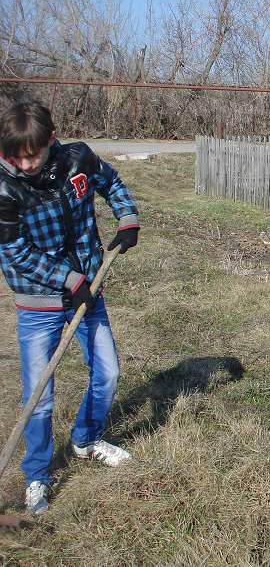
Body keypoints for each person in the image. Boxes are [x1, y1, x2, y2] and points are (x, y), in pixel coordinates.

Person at [0, 101, 140, 515]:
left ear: (52, 139)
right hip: (39, 300)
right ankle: (37, 477)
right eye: (15, 156)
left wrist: (127, 216)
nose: (25, 163)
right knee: (39, 395)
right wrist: (67, 279)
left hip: (88, 289)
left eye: (33, 154)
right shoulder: (5, 188)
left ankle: (86, 438)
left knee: (109, 371)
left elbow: (112, 183)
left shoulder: (78, 157)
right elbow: (14, 252)